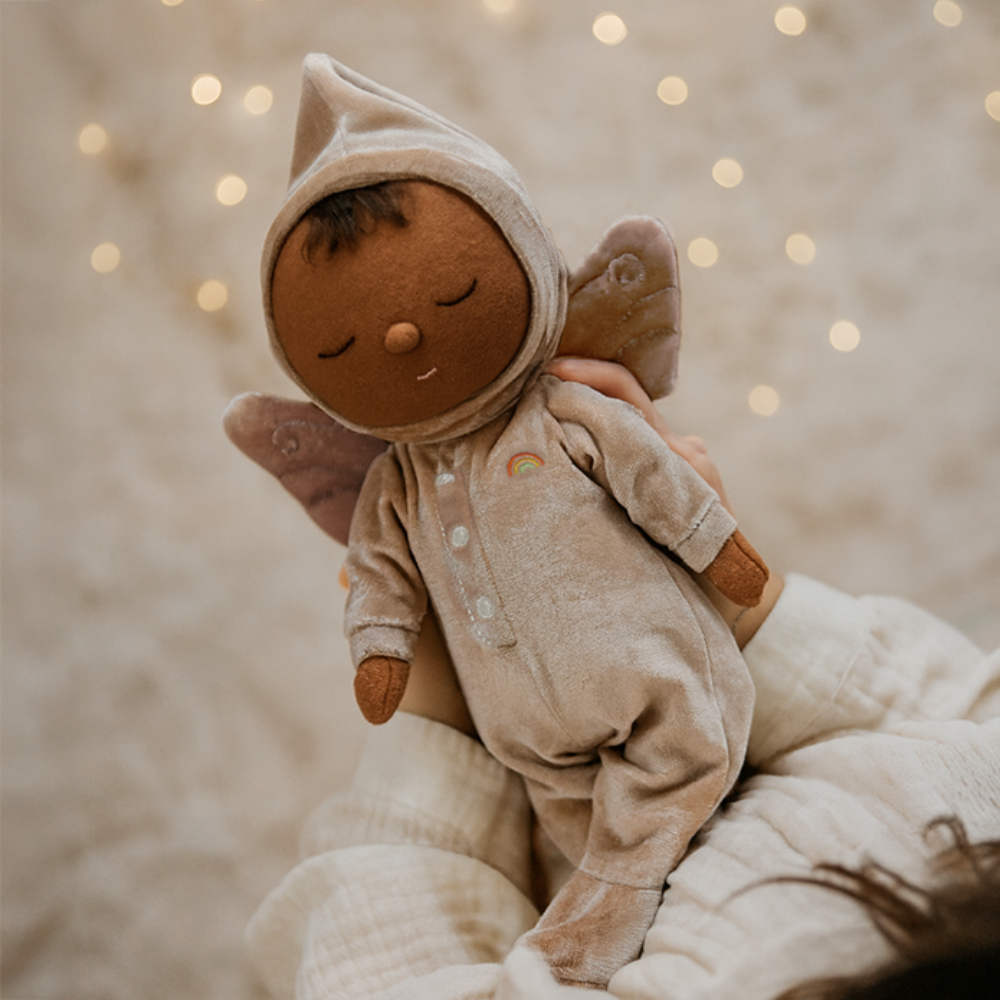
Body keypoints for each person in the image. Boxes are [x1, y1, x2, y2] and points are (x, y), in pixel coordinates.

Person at [244, 358, 1000, 999]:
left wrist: (435, 726)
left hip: (562, 818)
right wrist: (742, 605)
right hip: (789, 727)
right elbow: (965, 713)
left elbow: (379, 978)